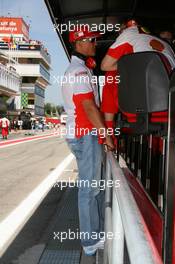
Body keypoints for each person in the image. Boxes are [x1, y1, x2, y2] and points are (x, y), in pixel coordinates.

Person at [62, 25, 114, 256]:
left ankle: (95, 234)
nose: (95, 43)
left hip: (83, 135)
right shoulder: (79, 72)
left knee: (92, 187)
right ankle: (90, 241)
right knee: (89, 190)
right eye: (92, 40)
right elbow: (89, 107)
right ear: (80, 43)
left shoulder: (81, 68)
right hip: (86, 135)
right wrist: (106, 134)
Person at [100, 19, 175, 127]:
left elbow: (104, 66)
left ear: (122, 31)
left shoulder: (129, 33)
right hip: (169, 108)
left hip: (137, 110)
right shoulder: (165, 44)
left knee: (111, 74)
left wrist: (125, 65)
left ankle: (109, 127)